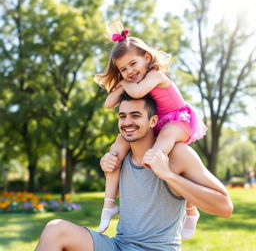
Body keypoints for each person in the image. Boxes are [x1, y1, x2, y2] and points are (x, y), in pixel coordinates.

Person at [34, 93, 233, 251]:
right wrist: (108, 169)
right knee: (55, 229)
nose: (127, 122)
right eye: (122, 116)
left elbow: (225, 207)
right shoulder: (121, 156)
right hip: (119, 245)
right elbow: (136, 193)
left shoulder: (177, 154)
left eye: (136, 115)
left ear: (153, 121)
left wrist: (168, 175)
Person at [94, 20, 207, 238]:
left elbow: (136, 93)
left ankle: (190, 210)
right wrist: (122, 84)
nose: (129, 72)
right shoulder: (132, 82)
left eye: (133, 64)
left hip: (178, 121)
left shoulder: (157, 75)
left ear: (147, 58)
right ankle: (109, 203)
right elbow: (109, 104)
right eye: (123, 69)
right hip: (154, 123)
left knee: (167, 140)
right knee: (118, 143)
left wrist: (123, 85)